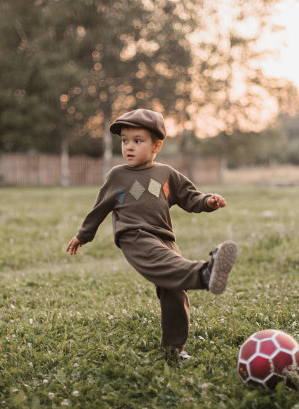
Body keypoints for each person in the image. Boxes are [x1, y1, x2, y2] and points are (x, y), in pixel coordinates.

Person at [66, 109, 238, 359]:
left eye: (138, 140)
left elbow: (190, 197)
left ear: (157, 145)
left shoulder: (166, 173)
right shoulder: (117, 176)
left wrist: (207, 202)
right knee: (166, 265)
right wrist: (83, 235)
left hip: (164, 239)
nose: (129, 147)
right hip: (134, 236)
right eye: (124, 140)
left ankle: (173, 348)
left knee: (174, 290)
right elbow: (100, 208)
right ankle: (205, 273)